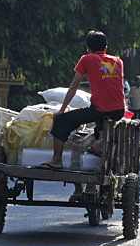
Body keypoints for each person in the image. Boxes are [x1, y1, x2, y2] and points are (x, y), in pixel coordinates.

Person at [38, 30, 126, 171]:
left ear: (88, 48)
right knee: (99, 123)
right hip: (119, 110)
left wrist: (61, 110)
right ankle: (99, 145)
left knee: (62, 121)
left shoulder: (87, 59)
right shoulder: (118, 61)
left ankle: (56, 161)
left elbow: (74, 86)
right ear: (106, 48)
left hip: (100, 110)